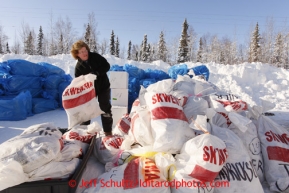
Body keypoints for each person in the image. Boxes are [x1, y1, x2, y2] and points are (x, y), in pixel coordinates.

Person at [71, 40, 113, 136]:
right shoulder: (78, 67)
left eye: (85, 50)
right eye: (81, 52)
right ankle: (84, 132)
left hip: (103, 86)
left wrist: (97, 73)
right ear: (77, 54)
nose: (85, 53)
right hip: (89, 91)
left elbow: (107, 66)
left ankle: (108, 132)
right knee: (86, 109)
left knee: (104, 108)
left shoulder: (95, 57)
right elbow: (79, 82)